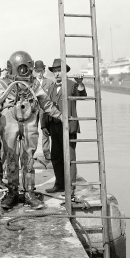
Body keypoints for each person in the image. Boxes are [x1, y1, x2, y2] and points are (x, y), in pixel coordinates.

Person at [0, 51, 63, 210]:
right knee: (11, 158)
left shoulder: (34, 84)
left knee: (28, 158)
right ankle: (12, 192)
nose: (23, 72)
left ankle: (29, 192)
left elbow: (46, 103)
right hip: (10, 124)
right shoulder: (5, 83)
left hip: (29, 124)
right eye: (21, 68)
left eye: (26, 68)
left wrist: (61, 117)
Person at [42, 59, 86, 193]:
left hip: (68, 127)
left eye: (59, 71)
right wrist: (44, 125)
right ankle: (59, 184)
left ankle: (71, 186)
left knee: (70, 157)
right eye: (55, 71)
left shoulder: (72, 85)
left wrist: (80, 84)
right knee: (56, 156)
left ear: (65, 71)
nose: (57, 74)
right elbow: (44, 106)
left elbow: (81, 95)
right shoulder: (51, 88)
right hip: (54, 127)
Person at [34, 60, 53, 163]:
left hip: (44, 110)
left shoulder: (49, 83)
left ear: (44, 71)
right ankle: (31, 152)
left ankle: (46, 152)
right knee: (32, 131)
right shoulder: (30, 83)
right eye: (37, 71)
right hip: (33, 111)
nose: (39, 73)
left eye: (41, 71)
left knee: (45, 131)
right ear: (34, 71)